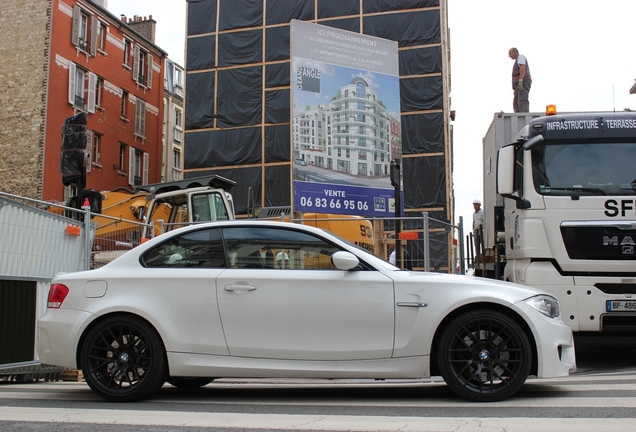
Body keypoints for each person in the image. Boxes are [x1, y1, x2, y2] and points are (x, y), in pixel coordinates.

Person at [508, 47, 531, 113]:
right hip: (518, 85)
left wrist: (521, 80)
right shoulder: (517, 60)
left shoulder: (520, 57)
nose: (509, 55)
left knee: (522, 99)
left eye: (510, 53)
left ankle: (523, 115)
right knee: (517, 101)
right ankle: (518, 115)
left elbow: (522, 67)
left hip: (523, 82)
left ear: (515, 52)